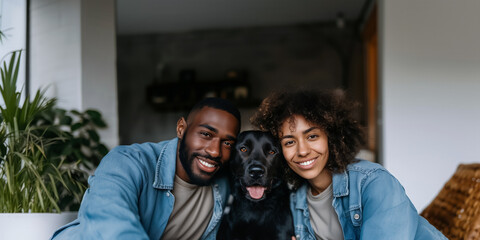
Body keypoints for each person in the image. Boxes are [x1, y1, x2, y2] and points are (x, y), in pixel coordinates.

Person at [250, 89, 447, 240]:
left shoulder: (372, 182)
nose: (302, 151)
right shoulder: (297, 201)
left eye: (312, 136)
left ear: (332, 137)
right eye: (289, 142)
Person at [51, 98, 241, 240]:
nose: (215, 151)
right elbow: (110, 221)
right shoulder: (128, 162)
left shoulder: (224, 181)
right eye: (206, 134)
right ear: (181, 129)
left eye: (227, 143)